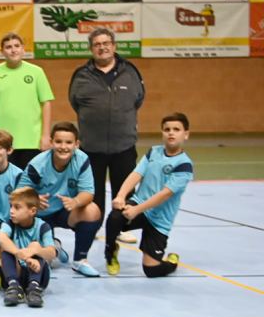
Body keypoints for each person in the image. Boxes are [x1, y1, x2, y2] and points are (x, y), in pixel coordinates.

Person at [69, 27, 146, 244]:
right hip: (91, 146)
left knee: (124, 190)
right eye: (97, 44)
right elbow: (74, 102)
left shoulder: (130, 72)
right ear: (91, 49)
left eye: (106, 43)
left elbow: (139, 99)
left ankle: (120, 228)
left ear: (114, 46)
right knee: (93, 193)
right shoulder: (81, 75)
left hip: (123, 145)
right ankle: (91, 228)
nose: (102, 47)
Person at [103, 113, 192, 278]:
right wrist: (121, 196)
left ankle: (172, 262)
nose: (171, 133)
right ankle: (110, 253)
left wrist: (137, 210)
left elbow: (165, 194)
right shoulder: (154, 152)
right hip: (138, 204)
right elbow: (137, 173)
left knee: (151, 270)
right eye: (167, 129)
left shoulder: (184, 165)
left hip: (159, 219)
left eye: (176, 129)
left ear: (186, 134)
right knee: (115, 217)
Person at [18, 122, 103, 277]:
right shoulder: (38, 164)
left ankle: (80, 260)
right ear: (51, 142)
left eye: (68, 142)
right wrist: (34, 200)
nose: (63, 147)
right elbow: (19, 193)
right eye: (58, 142)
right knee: (42, 263)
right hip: (40, 215)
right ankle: (55, 247)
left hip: (66, 210)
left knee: (92, 210)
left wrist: (75, 202)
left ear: (76, 144)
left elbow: (88, 193)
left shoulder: (82, 160)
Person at [0, 33, 53, 168]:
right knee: (7, 183)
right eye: (8, 47)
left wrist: (46, 135)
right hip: (3, 142)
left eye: (16, 46)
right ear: (2, 52)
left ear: (23, 49)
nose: (13, 50)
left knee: (30, 185)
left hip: (33, 141)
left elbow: (46, 103)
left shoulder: (37, 72)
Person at [0, 187, 56, 307]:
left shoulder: (43, 227)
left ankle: (34, 288)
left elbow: (52, 252)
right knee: (6, 250)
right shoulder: (9, 223)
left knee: (36, 246)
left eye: (17, 207)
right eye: (11, 206)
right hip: (15, 272)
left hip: (39, 275)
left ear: (32, 211)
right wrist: (21, 254)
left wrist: (36, 251)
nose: (11, 211)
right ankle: (13, 286)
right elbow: (2, 238)